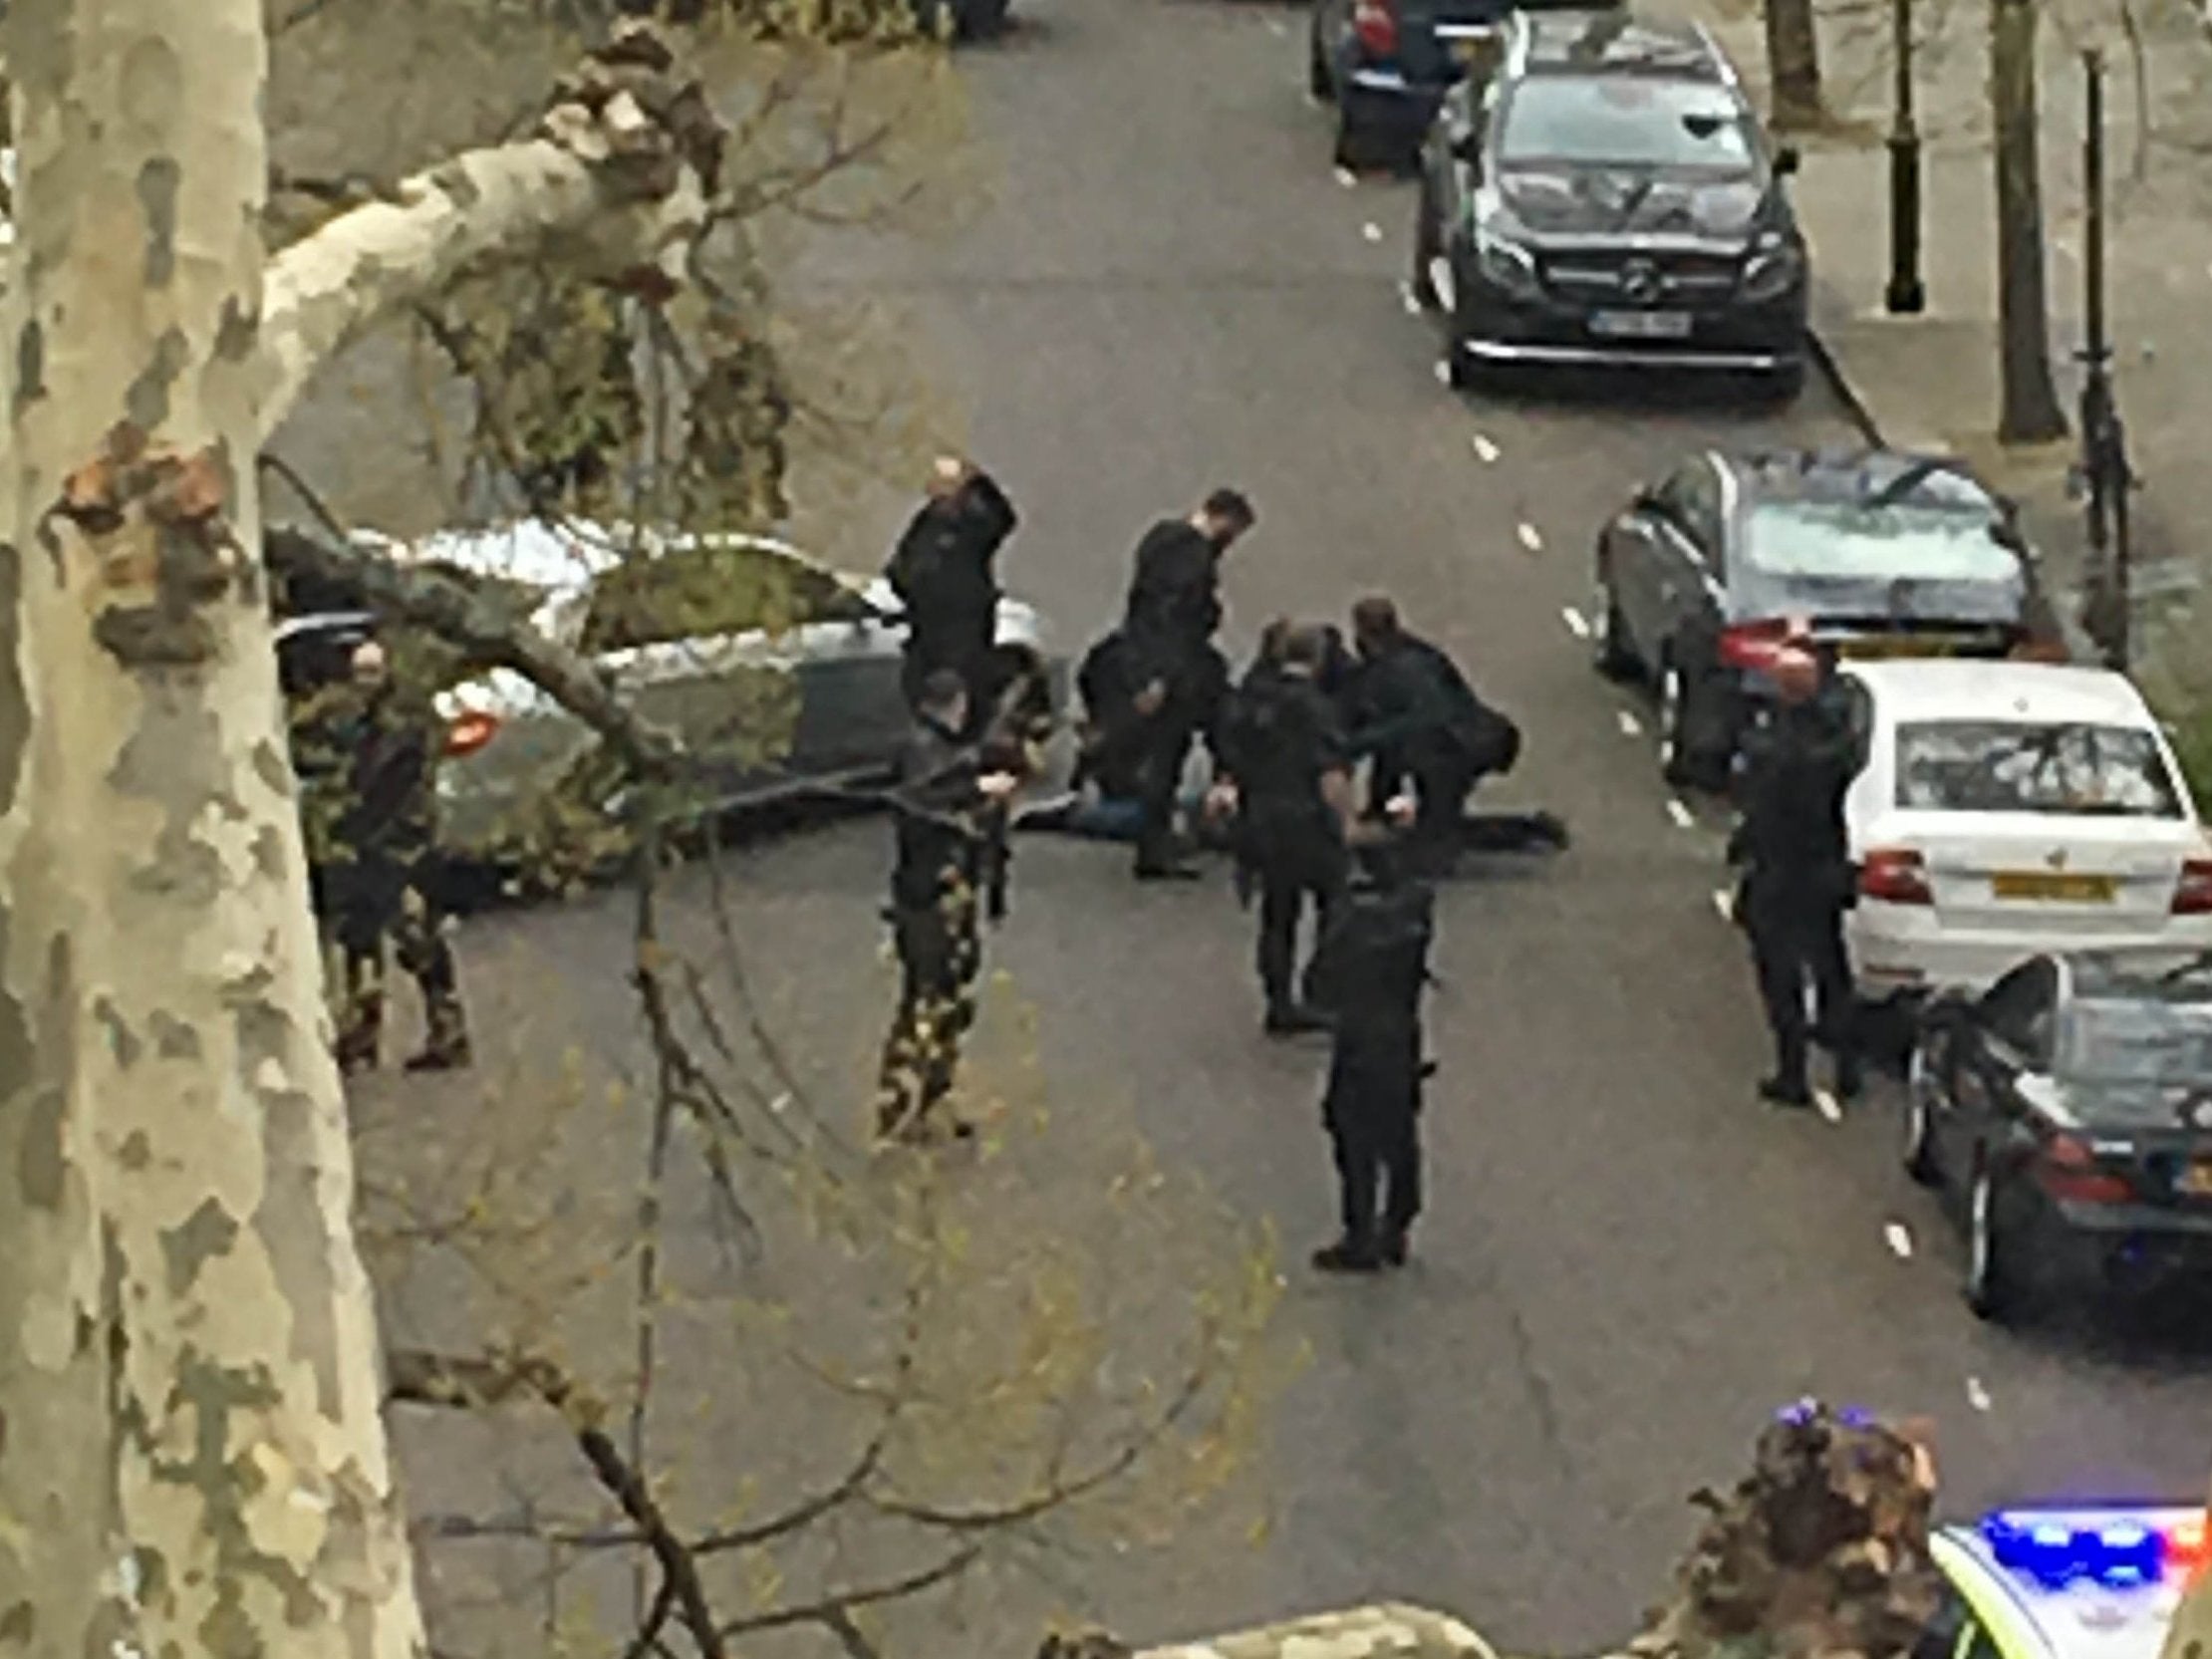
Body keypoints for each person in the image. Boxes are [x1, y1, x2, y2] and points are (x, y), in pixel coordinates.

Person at [877, 668, 1020, 1143]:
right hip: (927, 896)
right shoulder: (923, 751)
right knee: (926, 998)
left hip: (948, 892)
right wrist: (977, 792)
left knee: (950, 1001)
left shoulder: (939, 750)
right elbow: (926, 804)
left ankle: (930, 1098)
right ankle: (900, 1105)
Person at [316, 639, 473, 1074]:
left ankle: (448, 1027)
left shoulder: (406, 719)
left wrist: (357, 823)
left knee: (415, 935)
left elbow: (395, 779)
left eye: (372, 672)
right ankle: (362, 1032)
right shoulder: (354, 718)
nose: (365, 682)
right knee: (358, 934)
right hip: (365, 843)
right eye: (359, 673)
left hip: (404, 843)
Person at [1727, 646, 1863, 1108]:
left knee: (1780, 974)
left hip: (1779, 873)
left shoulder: (1772, 745)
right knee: (1830, 968)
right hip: (1824, 869)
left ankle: (1793, 1074)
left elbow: (1758, 800)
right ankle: (1847, 1066)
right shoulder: (1835, 738)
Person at [1344, 596, 1566, 875]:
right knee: (1430, 826)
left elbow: (1416, 723)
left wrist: (1358, 746)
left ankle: (1527, 830)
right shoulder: (1407, 653)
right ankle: (1518, 829)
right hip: (1449, 747)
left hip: (1455, 752)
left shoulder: (1405, 667)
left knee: (1434, 841)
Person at [1213, 624, 1360, 1033]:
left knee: (1278, 912)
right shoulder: (1314, 707)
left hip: (1260, 817)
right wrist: (1349, 822)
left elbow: (1229, 753)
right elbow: (1330, 772)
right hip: (1304, 818)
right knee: (1336, 900)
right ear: (1316, 659)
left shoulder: (1251, 699)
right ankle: (1321, 990)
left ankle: (1278, 1001)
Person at [1302, 843, 1437, 1272]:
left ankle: (1359, 1233)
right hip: (1400, 1033)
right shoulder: (1414, 914)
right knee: (1398, 1128)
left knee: (1351, 1129)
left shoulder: (1350, 920)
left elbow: (1320, 984)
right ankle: (1397, 1219)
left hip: (1359, 1036)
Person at [1120, 487, 1255, 878]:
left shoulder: (1161, 538)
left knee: (1174, 749)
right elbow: (1174, 620)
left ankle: (1160, 838)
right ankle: (1157, 844)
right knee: (1169, 752)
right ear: (1225, 520)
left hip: (1157, 661)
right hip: (1179, 669)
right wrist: (1161, 678)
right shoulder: (1192, 558)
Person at [884, 456, 1020, 726]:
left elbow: (1002, 519)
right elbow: (900, 566)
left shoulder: (972, 527)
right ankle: (938, 736)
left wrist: (977, 482)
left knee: (962, 689)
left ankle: (967, 737)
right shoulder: (927, 524)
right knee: (926, 696)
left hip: (963, 627)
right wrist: (909, 591)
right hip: (927, 629)